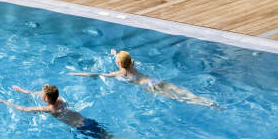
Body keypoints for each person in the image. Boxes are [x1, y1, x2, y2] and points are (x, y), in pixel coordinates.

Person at [73, 50, 216, 106]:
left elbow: (100, 75)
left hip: (148, 86)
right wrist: (115, 52)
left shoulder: (122, 73)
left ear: (119, 64)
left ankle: (205, 104)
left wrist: (79, 73)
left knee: (178, 98)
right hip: (154, 80)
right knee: (181, 92)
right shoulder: (132, 65)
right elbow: (124, 59)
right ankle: (206, 101)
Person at [0, 83, 117, 139]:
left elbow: (23, 109)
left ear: (47, 99)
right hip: (88, 121)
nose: (40, 95)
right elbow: (37, 93)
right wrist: (22, 90)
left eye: (42, 95)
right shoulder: (60, 99)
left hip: (82, 129)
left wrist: (5, 102)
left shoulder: (49, 109)